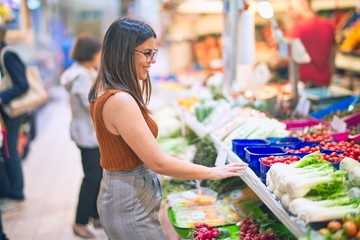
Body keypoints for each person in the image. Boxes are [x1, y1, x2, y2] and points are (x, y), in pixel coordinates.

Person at [88, 17, 248, 240]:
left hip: (124, 194)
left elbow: (127, 150)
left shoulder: (107, 91)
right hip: (129, 201)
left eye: (154, 52)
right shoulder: (120, 100)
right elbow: (158, 163)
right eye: (146, 53)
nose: (152, 60)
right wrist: (211, 172)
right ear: (124, 52)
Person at [60, 32, 102, 239]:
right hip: (88, 136)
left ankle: (95, 215)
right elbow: (92, 106)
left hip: (89, 133)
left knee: (97, 176)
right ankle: (80, 222)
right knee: (92, 178)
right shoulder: (81, 77)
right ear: (91, 54)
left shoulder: (84, 72)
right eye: (99, 51)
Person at [271, 0, 336, 88]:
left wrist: (276, 61)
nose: (288, 12)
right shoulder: (328, 25)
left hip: (305, 83)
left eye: (291, 8)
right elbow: (332, 59)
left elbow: (286, 58)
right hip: (324, 82)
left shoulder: (298, 27)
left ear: (303, 4)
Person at [0, 24, 28, 211]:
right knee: (7, 150)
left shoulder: (7, 54)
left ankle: (17, 193)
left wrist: (2, 97)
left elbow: (22, 84)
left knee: (10, 151)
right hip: (5, 110)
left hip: (11, 111)